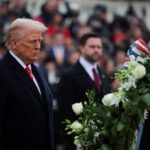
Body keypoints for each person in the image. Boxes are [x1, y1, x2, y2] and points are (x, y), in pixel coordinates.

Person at [0, 18, 54, 150]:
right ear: (14, 43)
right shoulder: (2, 72)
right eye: (32, 41)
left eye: (39, 41)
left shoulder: (36, 69)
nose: (38, 46)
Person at [57, 33, 110, 149]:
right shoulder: (69, 75)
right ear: (81, 48)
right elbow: (64, 111)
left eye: (99, 47)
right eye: (92, 47)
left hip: (101, 140)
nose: (96, 50)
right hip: (79, 141)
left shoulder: (103, 74)